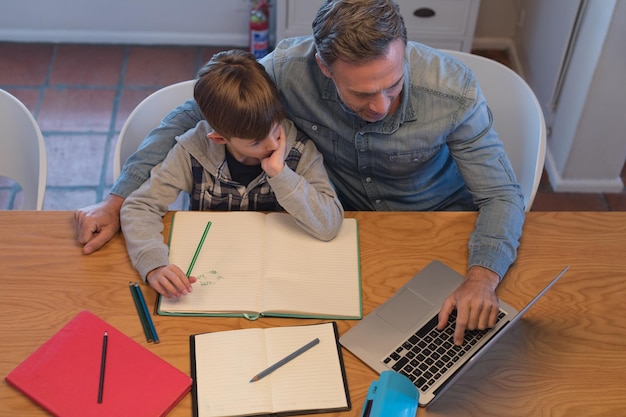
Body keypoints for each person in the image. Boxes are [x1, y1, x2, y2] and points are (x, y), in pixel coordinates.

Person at [76, 0, 525, 345]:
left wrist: (481, 279)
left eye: (394, 84)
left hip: (434, 228)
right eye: (363, 93)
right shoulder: (287, 70)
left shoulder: (453, 91)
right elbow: (191, 119)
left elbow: (502, 195)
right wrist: (116, 201)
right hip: (333, 227)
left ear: (403, 50)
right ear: (325, 68)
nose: (382, 105)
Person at [119, 50, 343, 298]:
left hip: (279, 276)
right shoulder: (191, 151)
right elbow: (139, 206)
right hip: (211, 280)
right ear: (219, 138)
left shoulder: (300, 149)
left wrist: (281, 175)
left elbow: (330, 224)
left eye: (276, 128)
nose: (272, 145)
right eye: (256, 142)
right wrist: (154, 264)